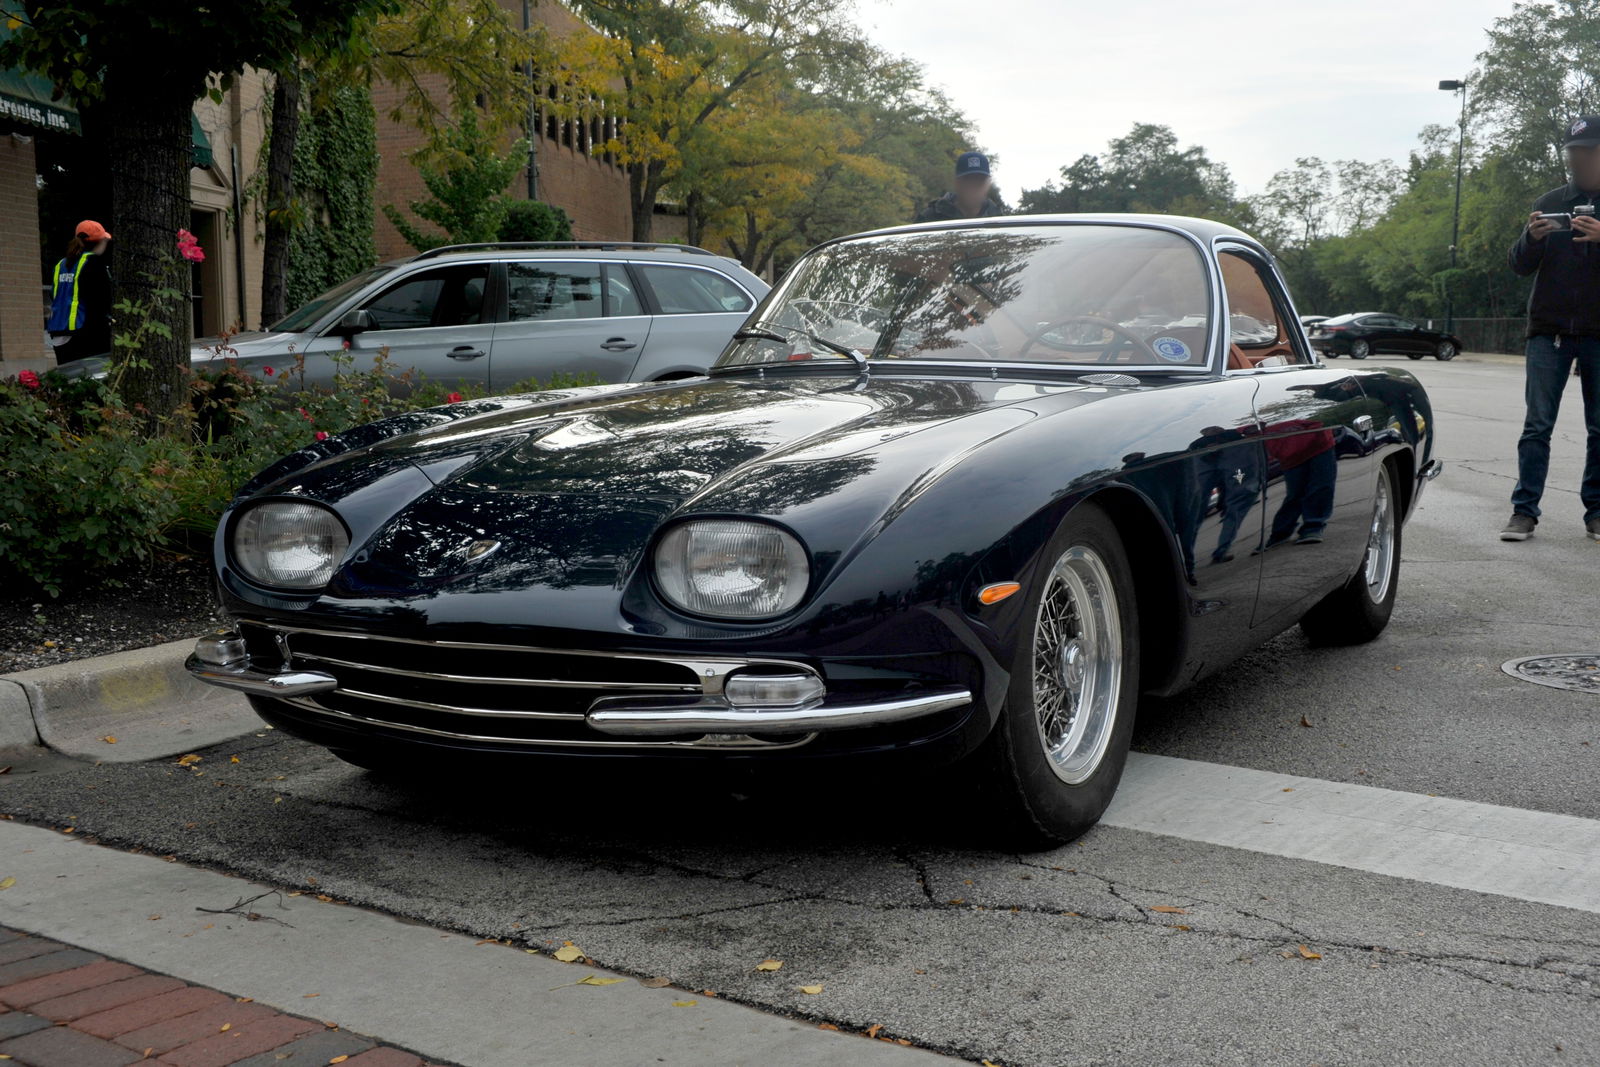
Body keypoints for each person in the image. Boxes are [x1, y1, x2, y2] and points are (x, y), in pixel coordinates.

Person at [1501, 115, 1600, 541]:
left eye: (1584, 153)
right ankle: (1524, 512)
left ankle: (1596, 513)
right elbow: (1518, 265)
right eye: (1571, 153)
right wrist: (1532, 238)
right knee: (1537, 425)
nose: (1576, 161)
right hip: (1549, 331)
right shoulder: (1553, 198)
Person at [47, 220, 113, 365]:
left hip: (59, 331)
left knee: (68, 379)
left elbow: (53, 295)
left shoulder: (61, 264)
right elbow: (103, 299)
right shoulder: (94, 263)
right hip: (85, 332)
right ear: (99, 242)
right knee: (90, 379)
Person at [916, 151, 1005, 223]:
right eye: (968, 180)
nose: (973, 187)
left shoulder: (998, 220)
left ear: (988, 184)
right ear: (957, 183)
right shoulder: (930, 218)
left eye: (979, 181)